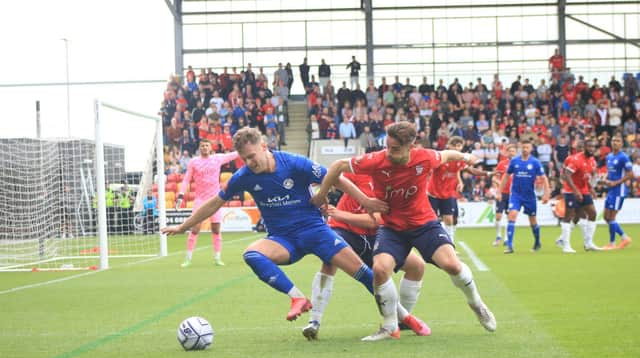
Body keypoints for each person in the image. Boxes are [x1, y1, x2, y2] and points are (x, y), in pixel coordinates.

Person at [162, 127, 388, 325]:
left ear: (264, 146)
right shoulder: (243, 176)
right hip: (283, 239)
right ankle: (298, 298)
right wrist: (184, 226)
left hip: (315, 231)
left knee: (363, 274)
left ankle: (401, 317)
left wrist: (365, 201)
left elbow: (334, 177)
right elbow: (215, 202)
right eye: (244, 159)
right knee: (252, 255)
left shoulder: (293, 162)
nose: (250, 162)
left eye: (252, 156)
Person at [312, 122, 496, 341]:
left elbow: (446, 154)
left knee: (451, 265)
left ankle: (476, 303)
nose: (389, 153)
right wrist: (328, 195)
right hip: (392, 228)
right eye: (387, 147)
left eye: (395, 149)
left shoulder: (425, 157)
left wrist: (465, 157)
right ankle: (390, 326)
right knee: (380, 270)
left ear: (411, 145)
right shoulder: (377, 160)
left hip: (424, 223)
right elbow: (337, 166)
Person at [303, 173, 430, 340]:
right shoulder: (361, 173)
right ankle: (314, 321)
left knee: (417, 266)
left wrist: (339, 213)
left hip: (377, 235)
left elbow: (375, 221)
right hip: (344, 231)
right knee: (329, 261)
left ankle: (401, 320)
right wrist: (323, 192)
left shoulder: (397, 185)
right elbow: (331, 177)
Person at [176, 139, 239, 267]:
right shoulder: (194, 162)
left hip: (215, 199)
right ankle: (188, 259)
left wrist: (249, 148)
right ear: (200, 148)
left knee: (216, 229)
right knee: (195, 228)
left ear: (211, 148)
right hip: (200, 200)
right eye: (202, 146)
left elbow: (235, 154)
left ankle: (217, 258)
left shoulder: (217, 158)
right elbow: (186, 179)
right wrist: (181, 195)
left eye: (206, 145)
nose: (204, 147)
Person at [427, 136, 490, 246]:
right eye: (455, 145)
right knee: (432, 221)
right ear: (449, 146)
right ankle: (432, 242)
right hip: (434, 193)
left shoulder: (460, 161)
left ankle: (450, 243)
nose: (457, 148)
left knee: (449, 219)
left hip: (447, 194)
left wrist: (487, 173)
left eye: (459, 145)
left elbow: (465, 171)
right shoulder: (441, 158)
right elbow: (428, 170)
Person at [497, 137, 550, 254]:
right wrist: (499, 191)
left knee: (533, 221)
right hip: (516, 194)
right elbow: (506, 176)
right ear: (521, 148)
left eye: (527, 147)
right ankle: (510, 245)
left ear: (531, 149)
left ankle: (537, 242)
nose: (525, 149)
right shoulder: (515, 161)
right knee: (512, 215)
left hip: (529, 196)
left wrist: (547, 193)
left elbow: (543, 178)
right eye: (523, 147)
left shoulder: (535, 162)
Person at [558, 139, 600, 253]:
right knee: (569, 216)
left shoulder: (591, 160)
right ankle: (566, 245)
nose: (591, 149)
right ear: (585, 147)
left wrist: (591, 189)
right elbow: (566, 174)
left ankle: (588, 243)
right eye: (589, 147)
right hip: (571, 191)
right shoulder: (575, 159)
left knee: (592, 213)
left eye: (593, 147)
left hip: (584, 190)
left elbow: (586, 177)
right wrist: (575, 190)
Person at [603, 134, 633, 249]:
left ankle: (613, 243)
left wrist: (616, 183)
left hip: (618, 191)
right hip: (611, 190)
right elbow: (609, 172)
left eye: (618, 141)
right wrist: (605, 179)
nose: (615, 142)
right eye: (613, 140)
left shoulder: (624, 157)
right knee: (606, 217)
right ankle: (624, 238)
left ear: (621, 144)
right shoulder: (609, 156)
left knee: (611, 217)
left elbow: (630, 174)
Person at [492, 144, 517, 246]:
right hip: (502, 194)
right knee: (498, 216)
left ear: (516, 152)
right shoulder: (502, 164)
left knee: (509, 217)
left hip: (513, 194)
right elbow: (494, 178)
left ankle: (507, 239)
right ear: (507, 153)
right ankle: (498, 236)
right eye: (509, 151)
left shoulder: (519, 164)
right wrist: (499, 186)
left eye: (513, 151)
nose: (511, 153)